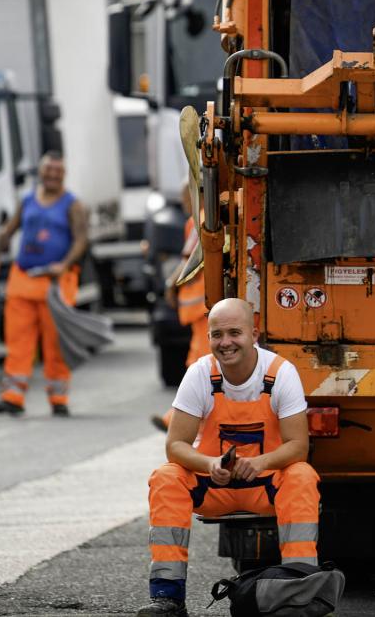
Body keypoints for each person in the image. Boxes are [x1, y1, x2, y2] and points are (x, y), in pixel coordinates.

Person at [139, 298, 319, 617]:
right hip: (215, 487)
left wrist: (260, 463)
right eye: (217, 335)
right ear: (208, 337)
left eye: (235, 332)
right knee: (166, 476)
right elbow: (176, 445)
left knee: (302, 474)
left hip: (265, 487)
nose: (225, 342)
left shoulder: (280, 373)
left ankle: (299, 590)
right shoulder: (200, 375)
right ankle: (167, 598)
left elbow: (298, 445)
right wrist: (209, 465)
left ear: (254, 334)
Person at [0, 152, 88, 417]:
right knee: (18, 341)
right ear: (40, 172)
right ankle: (13, 396)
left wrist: (64, 264)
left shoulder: (72, 205)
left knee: (55, 345)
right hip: (23, 280)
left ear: (63, 174)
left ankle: (58, 397)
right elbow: (8, 230)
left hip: (55, 285)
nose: (52, 174)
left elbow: (80, 240)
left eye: (58, 170)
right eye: (48, 169)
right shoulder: (28, 200)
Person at [152, 183, 208, 433]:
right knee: (197, 366)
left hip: (203, 309)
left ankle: (177, 419)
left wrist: (170, 284)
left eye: (186, 198)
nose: (184, 204)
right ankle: (175, 417)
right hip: (202, 310)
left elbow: (189, 262)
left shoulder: (202, 219)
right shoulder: (207, 218)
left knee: (200, 368)